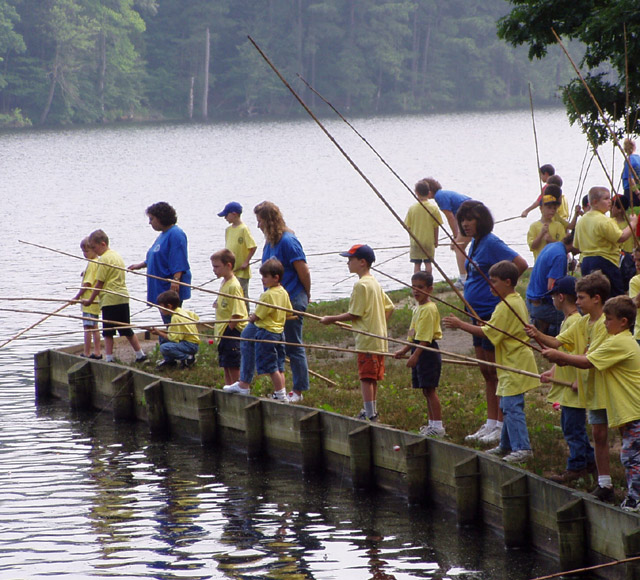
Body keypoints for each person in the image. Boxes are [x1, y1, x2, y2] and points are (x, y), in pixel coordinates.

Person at [541, 295, 640, 512]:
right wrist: (561, 360)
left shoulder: (619, 342)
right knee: (631, 454)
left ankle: (635, 500)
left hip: (634, 409)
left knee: (632, 457)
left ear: (623, 322)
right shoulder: (619, 339)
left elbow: (587, 362)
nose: (605, 324)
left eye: (609, 320)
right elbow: (586, 357)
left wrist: (559, 355)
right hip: (630, 410)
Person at [526, 272, 612, 501]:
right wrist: (537, 335)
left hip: (606, 388)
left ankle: (608, 479)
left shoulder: (605, 324)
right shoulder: (583, 322)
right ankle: (602, 480)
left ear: (596, 299)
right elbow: (557, 343)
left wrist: (560, 357)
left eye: (581, 297)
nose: (578, 301)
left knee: (607, 434)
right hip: (590, 388)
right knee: (597, 433)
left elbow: (589, 358)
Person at [444, 261, 537, 463]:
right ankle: (506, 445)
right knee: (506, 404)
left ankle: (523, 448)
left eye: (493, 282)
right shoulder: (513, 300)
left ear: (507, 282)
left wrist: (460, 324)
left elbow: (488, 334)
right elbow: (496, 327)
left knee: (513, 407)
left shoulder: (506, 306)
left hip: (515, 362)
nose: (490, 286)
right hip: (511, 362)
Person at [453, 200, 528, 444]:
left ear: (481, 220)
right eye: (462, 219)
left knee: (495, 370)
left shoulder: (492, 243)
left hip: (488, 313)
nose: (465, 223)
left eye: (470, 219)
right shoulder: (474, 243)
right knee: (485, 370)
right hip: (475, 312)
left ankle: (502, 423)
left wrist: (500, 291)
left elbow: (520, 264)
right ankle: (491, 422)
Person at [320, 244, 394, 422]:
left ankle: (370, 414)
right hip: (378, 338)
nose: (347, 263)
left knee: (366, 377)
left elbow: (354, 313)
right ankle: (371, 410)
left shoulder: (361, 285)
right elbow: (390, 307)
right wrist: (378, 323)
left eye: (350, 259)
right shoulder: (374, 282)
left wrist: (331, 318)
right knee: (373, 377)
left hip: (367, 340)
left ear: (362, 262)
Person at [538, 276, 595, 483]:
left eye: (553, 296)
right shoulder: (569, 320)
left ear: (560, 297)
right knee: (571, 427)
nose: (552, 300)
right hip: (566, 388)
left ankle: (576, 467)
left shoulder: (574, 321)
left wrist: (580, 381)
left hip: (573, 388)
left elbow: (581, 354)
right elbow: (563, 350)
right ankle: (590, 462)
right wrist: (553, 371)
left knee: (573, 429)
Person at [254, 201, 310, 403]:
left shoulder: (288, 241)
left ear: (269, 221)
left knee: (294, 345)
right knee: (275, 345)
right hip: (273, 301)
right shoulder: (270, 242)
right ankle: (281, 390)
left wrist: (306, 295)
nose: (258, 225)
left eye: (260, 221)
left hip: (292, 298)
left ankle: (299, 390)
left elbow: (303, 269)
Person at [223, 258, 292, 400]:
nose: (262, 280)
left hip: (266, 333)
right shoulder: (283, 292)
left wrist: (251, 317)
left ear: (276, 277)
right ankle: (280, 392)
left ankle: (280, 395)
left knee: (271, 367)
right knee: (279, 365)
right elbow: (289, 312)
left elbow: (257, 316)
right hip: (279, 333)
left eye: (265, 277)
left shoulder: (267, 295)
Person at [81, 229, 147, 363]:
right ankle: (140, 354)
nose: (95, 251)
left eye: (94, 247)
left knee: (108, 331)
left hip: (109, 299)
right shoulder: (116, 256)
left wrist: (90, 300)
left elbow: (99, 284)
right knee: (126, 328)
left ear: (103, 244)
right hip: (122, 296)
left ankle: (109, 358)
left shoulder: (103, 259)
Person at [394, 271, 444, 437]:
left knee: (431, 389)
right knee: (425, 389)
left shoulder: (429, 309)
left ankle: (438, 426)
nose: (416, 291)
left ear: (430, 289)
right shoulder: (418, 308)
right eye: (413, 287)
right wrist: (405, 350)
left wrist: (415, 355)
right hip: (418, 348)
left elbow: (425, 338)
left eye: (420, 287)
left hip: (427, 351)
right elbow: (413, 333)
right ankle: (431, 424)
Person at [128, 202, 191, 324]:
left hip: (169, 286)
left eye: (152, 219)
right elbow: (157, 256)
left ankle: (175, 341)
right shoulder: (163, 235)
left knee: (172, 319)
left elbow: (178, 258)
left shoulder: (176, 234)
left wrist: (176, 280)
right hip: (158, 286)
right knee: (166, 318)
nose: (150, 222)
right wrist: (141, 265)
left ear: (161, 217)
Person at [574, 186, 637, 297]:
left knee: (593, 296)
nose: (609, 202)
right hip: (604, 261)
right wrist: (633, 223)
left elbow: (577, 245)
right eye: (606, 199)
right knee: (614, 295)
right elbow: (621, 237)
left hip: (586, 262)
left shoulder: (581, 221)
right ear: (595, 202)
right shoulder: (604, 220)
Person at [415, 178, 471, 285]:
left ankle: (464, 279)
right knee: (462, 246)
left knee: (458, 246)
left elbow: (450, 217)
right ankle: (470, 274)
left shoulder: (440, 197)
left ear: (430, 191)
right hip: (473, 215)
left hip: (472, 215)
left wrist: (455, 236)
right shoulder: (442, 194)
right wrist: (458, 235)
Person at [211, 249, 248, 385]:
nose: (214, 270)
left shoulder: (234, 286)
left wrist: (228, 330)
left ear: (229, 266)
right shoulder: (224, 283)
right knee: (225, 364)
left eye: (216, 267)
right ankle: (228, 387)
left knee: (233, 364)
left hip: (231, 332)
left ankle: (238, 386)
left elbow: (237, 313)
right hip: (221, 332)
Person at [525, 233, 575, 336]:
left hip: (530, 300)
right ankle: (550, 336)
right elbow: (552, 287)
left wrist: (569, 267)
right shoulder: (560, 256)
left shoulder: (553, 246)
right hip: (542, 306)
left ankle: (544, 327)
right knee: (578, 315)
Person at [150, 290, 199, 369]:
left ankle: (188, 358)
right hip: (190, 342)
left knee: (164, 347)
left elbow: (173, 338)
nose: (160, 310)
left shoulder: (175, 317)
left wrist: (159, 332)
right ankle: (169, 361)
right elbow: (195, 317)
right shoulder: (180, 311)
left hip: (190, 345)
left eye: (161, 308)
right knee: (162, 337)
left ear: (169, 306)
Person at [218, 201, 257, 298]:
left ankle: (245, 313)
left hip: (241, 272)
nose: (225, 218)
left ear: (234, 214)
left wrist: (246, 262)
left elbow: (253, 247)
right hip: (230, 271)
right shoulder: (228, 230)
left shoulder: (244, 229)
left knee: (241, 296)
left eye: (226, 215)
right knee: (228, 294)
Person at [405, 179, 443, 276]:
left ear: (416, 193)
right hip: (428, 242)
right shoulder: (433, 208)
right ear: (429, 192)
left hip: (416, 242)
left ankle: (416, 283)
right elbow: (436, 226)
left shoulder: (412, 208)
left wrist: (411, 239)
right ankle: (428, 280)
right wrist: (436, 241)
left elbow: (407, 226)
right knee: (428, 263)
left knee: (417, 265)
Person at [74, 237, 102, 359]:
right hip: (95, 301)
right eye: (83, 252)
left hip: (88, 302)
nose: (85, 254)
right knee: (94, 327)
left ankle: (87, 352)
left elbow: (87, 284)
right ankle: (97, 351)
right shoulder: (97, 262)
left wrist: (76, 297)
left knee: (88, 328)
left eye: (87, 251)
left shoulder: (92, 264)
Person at [526, 193, 566, 261]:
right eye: (549, 207)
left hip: (555, 261)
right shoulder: (534, 226)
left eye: (554, 208)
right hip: (540, 262)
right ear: (541, 208)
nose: (552, 210)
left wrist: (551, 240)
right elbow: (532, 246)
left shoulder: (559, 226)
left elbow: (563, 246)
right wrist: (541, 234)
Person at [610, 194, 636, 291]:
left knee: (627, 282)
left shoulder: (629, 224)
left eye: (613, 206)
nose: (610, 208)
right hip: (616, 257)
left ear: (620, 209)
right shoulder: (610, 222)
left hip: (627, 257)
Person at [622, 138, 640, 207]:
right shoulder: (638, 158)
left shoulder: (629, 160)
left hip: (631, 191)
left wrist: (637, 193)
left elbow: (630, 179)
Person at [629, 248, 640, 347]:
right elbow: (635, 304)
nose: (637, 264)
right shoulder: (635, 281)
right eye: (635, 260)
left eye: (639, 260)